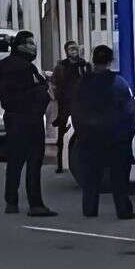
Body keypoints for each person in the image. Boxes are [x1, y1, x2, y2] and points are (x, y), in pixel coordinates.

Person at [71, 45, 135, 219]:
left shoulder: (83, 83)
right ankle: (123, 209)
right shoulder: (118, 83)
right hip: (115, 138)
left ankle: (90, 209)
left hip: (89, 138)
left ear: (94, 60)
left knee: (91, 177)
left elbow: (76, 111)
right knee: (119, 177)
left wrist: (81, 133)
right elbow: (130, 111)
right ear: (110, 61)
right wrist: (128, 134)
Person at [0, 30, 56, 216]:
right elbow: (35, 93)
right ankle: (35, 204)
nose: (33, 46)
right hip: (28, 118)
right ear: (20, 46)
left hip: (12, 118)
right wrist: (45, 90)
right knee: (33, 160)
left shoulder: (3, 66)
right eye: (30, 43)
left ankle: (11, 202)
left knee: (14, 161)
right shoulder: (26, 68)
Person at [51, 41, 91, 173]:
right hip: (65, 104)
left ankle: (83, 162)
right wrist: (56, 97)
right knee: (62, 135)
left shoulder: (84, 65)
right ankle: (60, 163)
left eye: (75, 48)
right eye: (70, 49)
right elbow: (54, 83)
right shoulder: (61, 66)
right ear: (66, 51)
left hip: (81, 104)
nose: (73, 51)